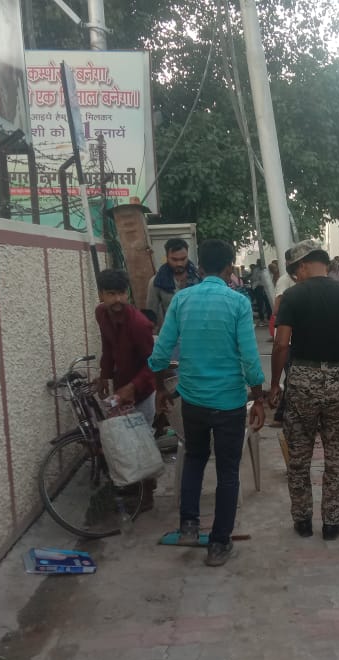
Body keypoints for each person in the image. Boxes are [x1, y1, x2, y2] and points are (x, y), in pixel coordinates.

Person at [148, 239, 266, 567]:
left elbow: (161, 352)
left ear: (199, 268)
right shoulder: (238, 302)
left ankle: (188, 525)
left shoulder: (181, 300)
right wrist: (258, 398)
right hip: (229, 402)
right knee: (228, 471)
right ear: (229, 268)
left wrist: (160, 388)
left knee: (195, 459)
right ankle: (218, 543)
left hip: (193, 401)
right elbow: (250, 358)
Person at [270, 239, 339, 540]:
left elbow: (281, 344)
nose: (295, 277)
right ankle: (332, 522)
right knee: (336, 454)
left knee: (299, 456)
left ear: (302, 266)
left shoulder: (292, 296)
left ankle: (302, 520)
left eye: (294, 271)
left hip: (303, 379)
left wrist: (274, 384)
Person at [94, 267, 158, 430]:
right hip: (120, 389)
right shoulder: (101, 313)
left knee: (142, 442)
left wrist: (131, 387)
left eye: (121, 293)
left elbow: (154, 362)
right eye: (111, 294)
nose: (118, 299)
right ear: (101, 295)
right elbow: (107, 345)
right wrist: (104, 375)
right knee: (123, 440)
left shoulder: (139, 324)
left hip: (143, 393)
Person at [144, 238, 200, 330]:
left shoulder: (199, 277)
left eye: (183, 259)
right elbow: (151, 314)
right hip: (171, 332)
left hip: (197, 330)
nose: (179, 263)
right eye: (174, 259)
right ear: (166, 257)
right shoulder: (157, 282)